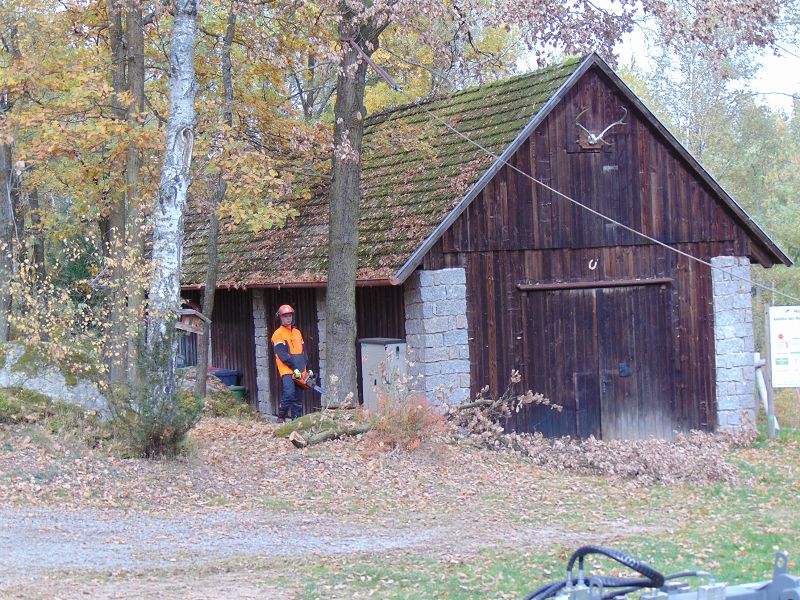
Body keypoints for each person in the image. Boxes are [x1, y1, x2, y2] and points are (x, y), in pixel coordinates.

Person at [271, 304, 312, 422]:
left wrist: (308, 368)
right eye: (285, 316)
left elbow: (303, 352)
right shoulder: (277, 334)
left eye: (290, 316)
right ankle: (281, 417)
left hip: (300, 368)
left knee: (298, 398)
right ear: (280, 317)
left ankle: (296, 421)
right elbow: (282, 355)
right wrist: (294, 368)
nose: (288, 318)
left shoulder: (297, 332)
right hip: (287, 369)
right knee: (289, 393)